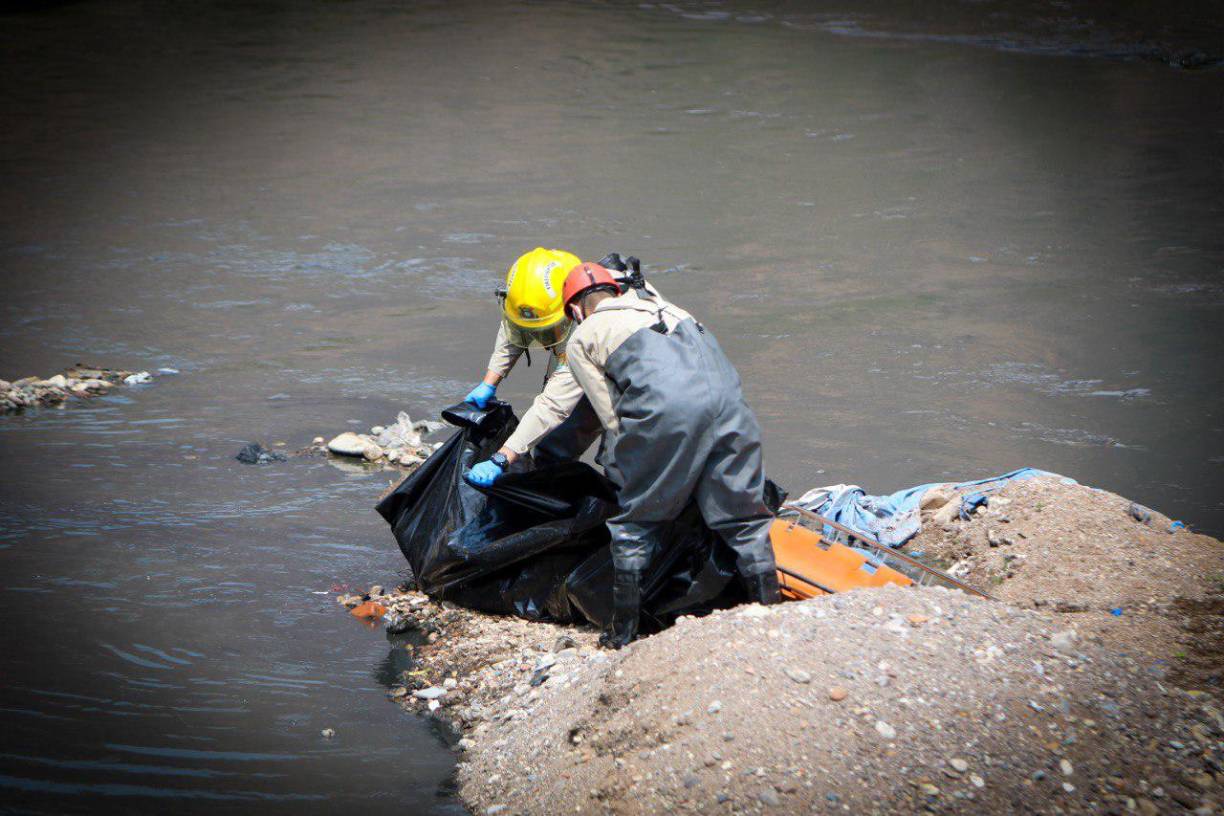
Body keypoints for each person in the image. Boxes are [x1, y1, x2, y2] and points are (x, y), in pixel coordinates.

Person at [560, 261, 781, 648]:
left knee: (636, 523)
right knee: (744, 518)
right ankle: (771, 614)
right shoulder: (670, 308)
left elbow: (610, 416)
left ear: (576, 310)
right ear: (616, 290)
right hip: (731, 404)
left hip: (668, 413)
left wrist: (628, 470)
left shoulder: (582, 337)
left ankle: (623, 633)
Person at [462, 248, 605, 486]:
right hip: (573, 352)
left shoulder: (588, 330)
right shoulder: (532, 300)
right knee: (551, 448)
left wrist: (501, 458)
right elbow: (514, 331)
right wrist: (489, 383)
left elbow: (553, 405)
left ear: (572, 307)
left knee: (621, 459)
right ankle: (552, 493)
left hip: (626, 383)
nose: (540, 337)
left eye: (546, 330)